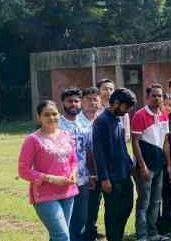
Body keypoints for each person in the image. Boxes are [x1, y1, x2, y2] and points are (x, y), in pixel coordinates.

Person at [18, 100, 79, 241]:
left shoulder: (66, 135)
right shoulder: (32, 140)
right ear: (39, 117)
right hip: (45, 194)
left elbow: (74, 160)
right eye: (47, 115)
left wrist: (73, 173)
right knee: (62, 236)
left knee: (58, 235)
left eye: (54, 114)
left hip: (68, 192)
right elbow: (23, 170)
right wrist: (51, 178)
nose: (52, 118)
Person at [93, 88, 137, 241]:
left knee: (127, 206)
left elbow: (122, 145)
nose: (127, 111)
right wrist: (104, 178)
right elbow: (98, 152)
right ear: (116, 103)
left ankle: (117, 235)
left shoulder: (118, 118)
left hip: (124, 173)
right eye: (126, 107)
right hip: (110, 177)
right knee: (113, 211)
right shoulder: (101, 121)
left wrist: (130, 164)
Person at [131, 84, 170, 241]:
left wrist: (168, 165)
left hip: (159, 164)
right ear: (147, 97)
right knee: (144, 202)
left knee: (156, 201)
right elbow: (135, 142)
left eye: (160, 95)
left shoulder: (164, 115)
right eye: (154, 95)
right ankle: (141, 235)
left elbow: (165, 142)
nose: (157, 98)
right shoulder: (139, 115)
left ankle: (153, 233)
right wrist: (143, 166)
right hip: (146, 167)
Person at [58, 88, 94, 241]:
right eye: (69, 101)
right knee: (64, 220)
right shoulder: (57, 124)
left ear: (81, 103)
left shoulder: (85, 124)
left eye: (76, 101)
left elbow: (90, 150)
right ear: (63, 103)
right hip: (63, 179)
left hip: (83, 179)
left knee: (81, 218)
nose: (73, 104)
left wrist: (92, 174)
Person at [81, 87, 104, 241]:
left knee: (95, 202)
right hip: (81, 172)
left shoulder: (103, 120)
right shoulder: (76, 121)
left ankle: (91, 230)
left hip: (100, 170)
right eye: (88, 99)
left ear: (100, 102)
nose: (92, 102)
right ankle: (81, 233)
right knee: (83, 205)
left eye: (95, 99)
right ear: (82, 102)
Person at [159, 93, 171, 234]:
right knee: (155, 197)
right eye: (164, 104)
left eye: (170, 105)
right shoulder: (155, 119)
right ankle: (155, 223)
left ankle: (166, 223)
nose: (167, 107)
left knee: (168, 195)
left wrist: (170, 164)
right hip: (156, 161)